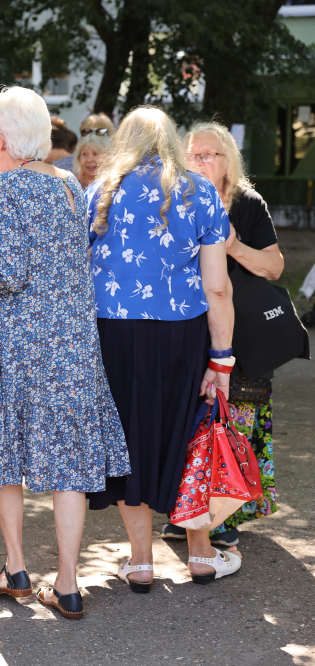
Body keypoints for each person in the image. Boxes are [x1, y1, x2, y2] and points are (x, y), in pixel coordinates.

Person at [0, 86, 129, 621]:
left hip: (26, 349)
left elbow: (7, 276)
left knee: (6, 453)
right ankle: (68, 583)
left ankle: (15, 569)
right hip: (74, 346)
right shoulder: (69, 187)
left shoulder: (10, 188)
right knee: (69, 467)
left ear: (4, 140)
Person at [85, 107, 238, 590]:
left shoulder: (97, 193)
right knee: (189, 436)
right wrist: (222, 359)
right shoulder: (200, 192)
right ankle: (200, 555)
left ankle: (142, 561)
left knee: (128, 439)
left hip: (113, 334)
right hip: (181, 334)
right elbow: (218, 289)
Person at [157, 122, 285, 548]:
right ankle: (188, 509)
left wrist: (231, 246)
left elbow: (274, 267)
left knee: (231, 422)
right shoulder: (178, 199)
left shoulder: (248, 204)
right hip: (187, 329)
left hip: (241, 334)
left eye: (207, 154)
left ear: (228, 162)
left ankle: (224, 511)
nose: (198, 161)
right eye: (192, 154)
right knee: (189, 419)